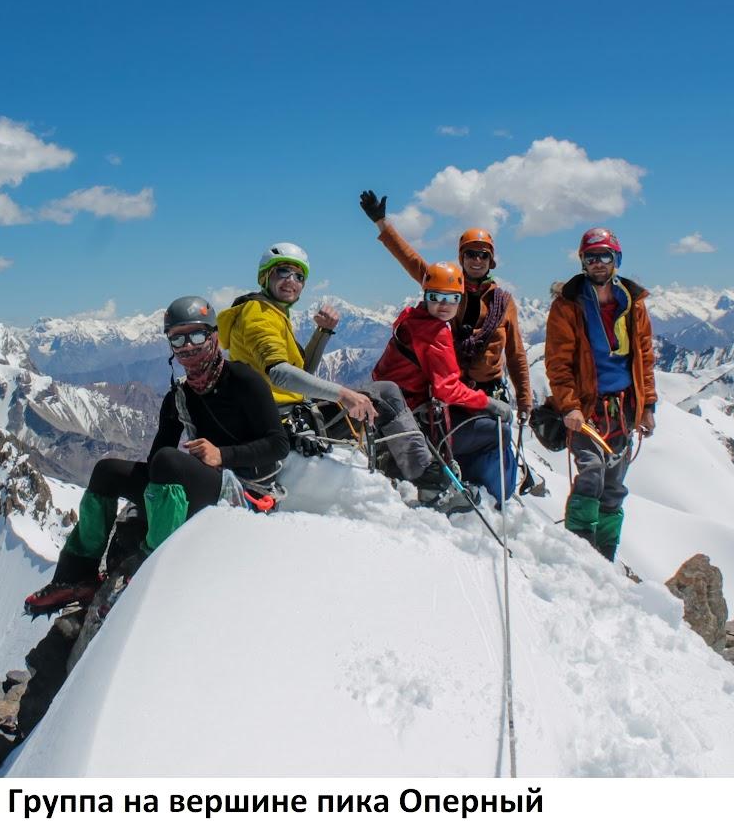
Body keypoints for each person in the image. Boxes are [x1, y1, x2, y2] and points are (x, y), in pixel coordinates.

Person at [24, 295, 289, 614]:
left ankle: (151, 567)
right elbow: (155, 463)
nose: (188, 346)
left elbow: (278, 445)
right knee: (107, 471)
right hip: (208, 484)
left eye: (196, 335)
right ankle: (76, 576)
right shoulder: (179, 397)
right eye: (178, 338)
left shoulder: (244, 381)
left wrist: (222, 454)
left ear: (213, 335)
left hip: (247, 492)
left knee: (167, 461)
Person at [216, 242, 435, 482]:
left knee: (380, 396)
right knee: (386, 395)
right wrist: (343, 395)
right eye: (283, 272)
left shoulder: (272, 311)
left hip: (281, 415)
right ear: (264, 276)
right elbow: (279, 373)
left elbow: (300, 372)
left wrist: (323, 332)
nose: (291, 280)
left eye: (299, 276)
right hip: (282, 421)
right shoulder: (258, 314)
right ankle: (428, 480)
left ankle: (405, 472)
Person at [359, 190, 533, 422]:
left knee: (491, 444)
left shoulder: (502, 302)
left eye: (483, 255)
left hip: (489, 390)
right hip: (451, 391)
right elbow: (411, 260)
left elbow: (516, 353)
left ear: (491, 260)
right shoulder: (446, 288)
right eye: (471, 254)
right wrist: (382, 224)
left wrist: (524, 401)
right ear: (462, 258)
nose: (477, 260)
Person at [543, 227, 657, 562]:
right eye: (591, 257)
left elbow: (644, 358)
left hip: (623, 409)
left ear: (616, 260)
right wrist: (569, 406)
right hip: (587, 409)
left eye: (604, 256)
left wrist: (647, 405)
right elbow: (558, 363)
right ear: (583, 261)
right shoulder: (567, 307)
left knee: (614, 486)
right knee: (591, 472)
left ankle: (604, 555)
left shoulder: (633, 305)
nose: (598, 263)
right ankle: (580, 552)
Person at [371, 262, 516, 508]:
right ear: (425, 296)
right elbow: (446, 389)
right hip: (420, 422)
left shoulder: (413, 318)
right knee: (497, 431)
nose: (444, 304)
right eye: (435, 296)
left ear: (460, 300)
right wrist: (487, 402)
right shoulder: (433, 331)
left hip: (399, 415)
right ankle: (495, 497)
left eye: (451, 298)